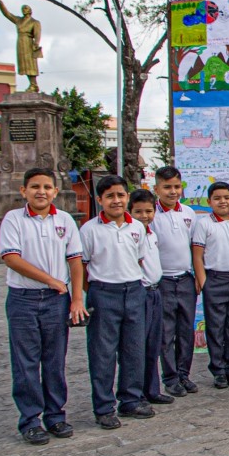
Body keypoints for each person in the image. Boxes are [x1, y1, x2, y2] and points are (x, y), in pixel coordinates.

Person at [0, 168, 87, 444]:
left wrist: (76, 297)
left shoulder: (64, 221)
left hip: (56, 301)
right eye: (35, 186)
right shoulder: (13, 219)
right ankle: (30, 420)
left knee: (54, 360)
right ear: (23, 191)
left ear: (55, 192)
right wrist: (50, 279)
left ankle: (55, 416)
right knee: (26, 362)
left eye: (47, 187)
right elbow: (12, 258)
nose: (41, 192)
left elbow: (74, 260)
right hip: (24, 299)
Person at [80, 175, 153, 429]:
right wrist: (95, 292)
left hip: (134, 291)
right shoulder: (89, 229)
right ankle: (103, 407)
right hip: (103, 293)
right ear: (100, 200)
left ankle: (130, 399)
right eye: (110, 196)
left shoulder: (137, 228)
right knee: (103, 353)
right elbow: (82, 266)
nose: (116, 200)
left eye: (121, 195)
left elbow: (140, 259)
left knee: (134, 349)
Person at [191, 182, 229, 389]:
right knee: (215, 327)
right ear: (209, 202)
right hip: (214, 279)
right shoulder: (204, 224)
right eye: (217, 198)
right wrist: (204, 282)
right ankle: (218, 370)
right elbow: (197, 256)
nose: (222, 202)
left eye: (226, 197)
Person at [152, 166, 199, 397]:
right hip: (162, 281)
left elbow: (195, 248)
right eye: (167, 187)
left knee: (185, 331)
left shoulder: (189, 214)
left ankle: (184, 374)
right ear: (156, 189)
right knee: (166, 332)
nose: (172, 192)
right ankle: (170, 378)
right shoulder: (151, 215)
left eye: (176, 187)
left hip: (185, 279)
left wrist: (198, 277)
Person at [128, 190, 174, 406]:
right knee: (137, 346)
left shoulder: (151, 234)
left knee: (153, 344)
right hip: (140, 293)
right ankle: (135, 394)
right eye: (138, 211)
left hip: (156, 291)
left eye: (148, 211)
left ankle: (152, 389)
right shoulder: (130, 234)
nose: (144, 216)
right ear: (130, 212)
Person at [0, 0, 42, 92]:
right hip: (20, 42)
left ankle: (33, 84)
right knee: (23, 64)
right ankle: (32, 85)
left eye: (26, 8)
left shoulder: (35, 22)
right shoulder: (18, 20)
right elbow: (7, 14)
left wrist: (36, 43)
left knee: (30, 64)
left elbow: (37, 34)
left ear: (30, 11)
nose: (23, 10)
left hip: (28, 42)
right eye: (22, 8)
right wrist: (0, 1)